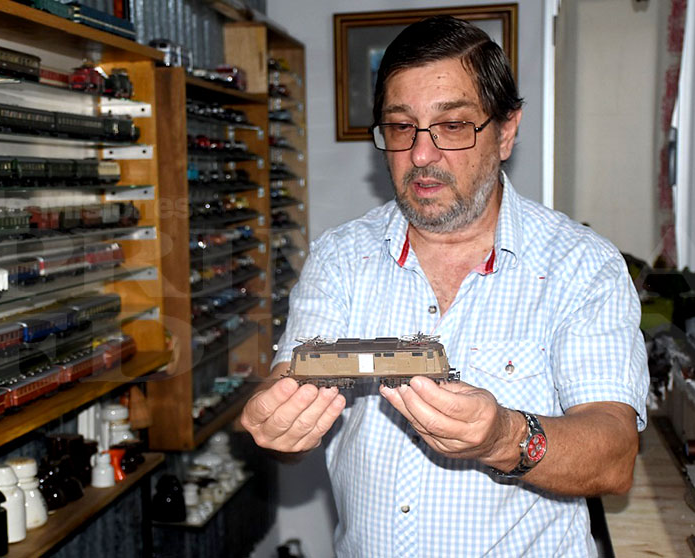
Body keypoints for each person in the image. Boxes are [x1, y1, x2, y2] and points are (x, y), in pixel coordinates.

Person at [240, 15, 649, 557]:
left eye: (452, 125)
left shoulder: (582, 266)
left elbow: (615, 456)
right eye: (401, 127)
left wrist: (503, 437)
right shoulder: (339, 258)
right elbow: (289, 388)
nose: (422, 154)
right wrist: (279, 423)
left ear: (505, 131)